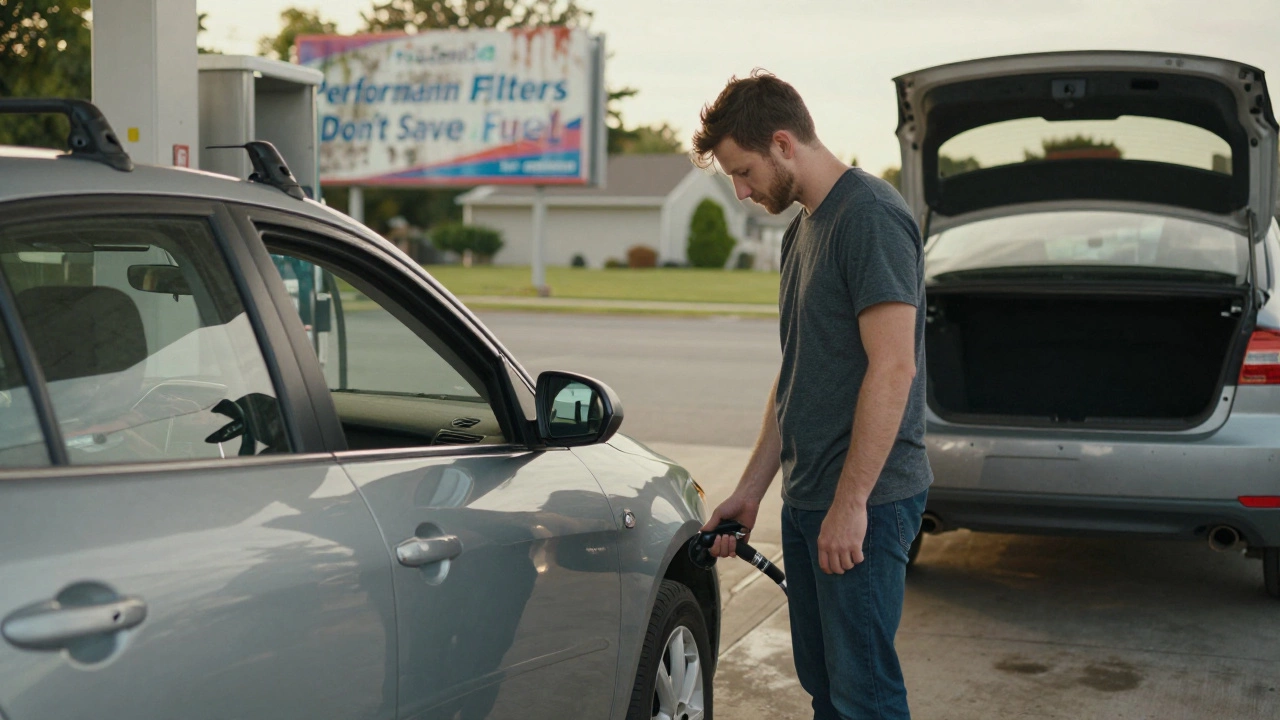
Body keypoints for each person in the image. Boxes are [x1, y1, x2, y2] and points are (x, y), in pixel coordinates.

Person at [693, 69, 932, 720]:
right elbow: (795, 371)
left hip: (867, 504)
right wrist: (749, 492)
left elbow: (893, 370)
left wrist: (851, 504)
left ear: (781, 143)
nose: (741, 192)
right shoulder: (802, 231)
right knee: (825, 685)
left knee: (864, 696)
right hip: (808, 500)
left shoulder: (873, 218)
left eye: (743, 172)